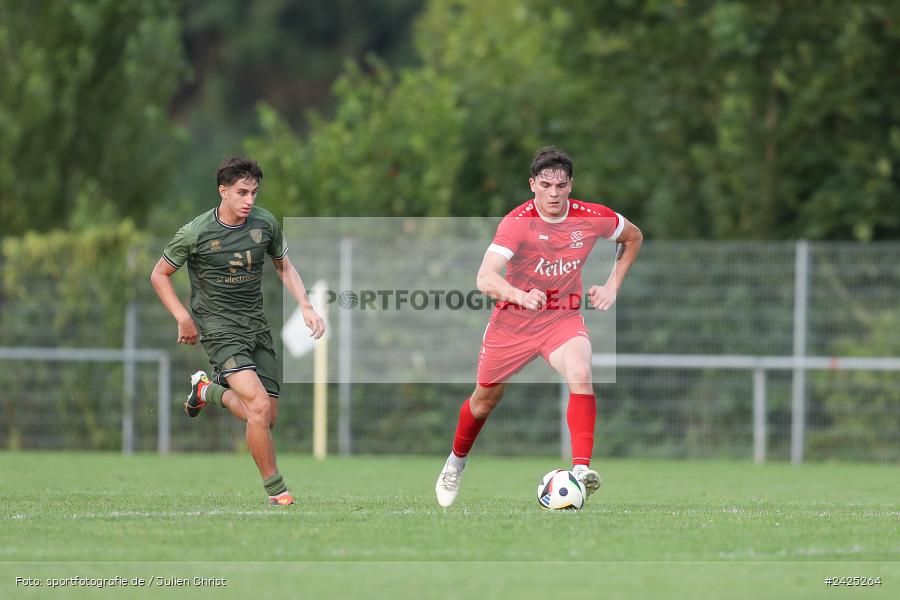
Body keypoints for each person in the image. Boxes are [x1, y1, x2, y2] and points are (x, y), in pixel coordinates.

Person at [435, 146, 642, 508]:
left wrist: (612, 285)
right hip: (512, 325)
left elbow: (633, 237)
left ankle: (580, 473)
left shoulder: (593, 217)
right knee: (484, 402)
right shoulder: (517, 222)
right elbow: (484, 278)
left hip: (562, 318)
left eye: (561, 185)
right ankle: (456, 461)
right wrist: (517, 293)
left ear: (570, 185)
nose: (553, 193)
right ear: (533, 185)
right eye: (545, 185)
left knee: (580, 371)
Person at [150, 156, 325, 506]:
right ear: (223, 191)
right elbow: (159, 274)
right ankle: (278, 491)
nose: (249, 200)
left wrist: (305, 305)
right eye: (242, 192)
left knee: (265, 417)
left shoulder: (265, 224)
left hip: (256, 327)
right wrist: (182, 316)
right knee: (257, 406)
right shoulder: (196, 232)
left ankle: (205, 389)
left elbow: (285, 268)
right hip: (218, 328)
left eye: (254, 193)